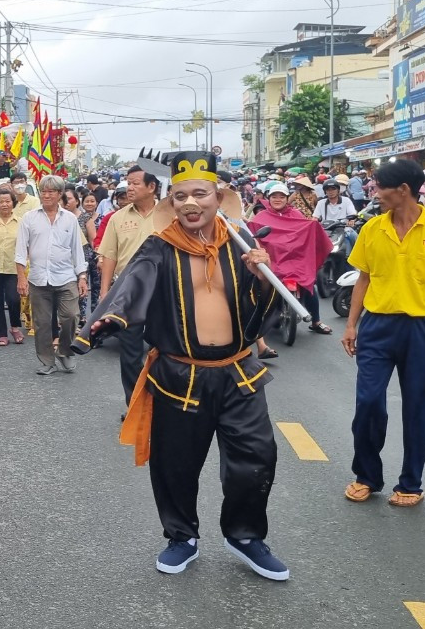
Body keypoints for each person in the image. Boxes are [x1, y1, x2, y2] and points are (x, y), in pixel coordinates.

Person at [73, 150, 288, 581]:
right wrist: (108, 317)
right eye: (181, 195)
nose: (191, 203)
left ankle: (245, 535)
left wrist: (262, 278)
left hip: (237, 373)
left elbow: (260, 311)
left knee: (257, 456)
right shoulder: (159, 247)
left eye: (200, 194)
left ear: (218, 197)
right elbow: (133, 285)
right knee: (175, 463)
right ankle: (181, 536)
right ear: (172, 202)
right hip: (179, 376)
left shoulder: (240, 243)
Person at [341, 159, 425, 508]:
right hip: (377, 326)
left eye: (380, 187)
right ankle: (366, 476)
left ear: (403, 190)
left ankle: (411, 483)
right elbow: (364, 279)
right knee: (368, 401)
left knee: (419, 406)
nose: (375, 193)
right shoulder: (373, 228)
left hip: (423, 328)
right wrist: (351, 323)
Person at [98, 165, 161, 406]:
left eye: (135, 183)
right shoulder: (118, 218)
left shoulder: (170, 215)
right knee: (130, 352)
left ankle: (162, 404)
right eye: (128, 182)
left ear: (152, 187)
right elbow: (109, 256)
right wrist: (105, 292)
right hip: (128, 292)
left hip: (162, 290)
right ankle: (135, 404)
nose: (129, 188)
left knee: (164, 349)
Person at [15, 175, 89, 376]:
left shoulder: (70, 219)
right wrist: (21, 278)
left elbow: (77, 250)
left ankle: (64, 351)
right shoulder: (29, 218)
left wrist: (82, 277)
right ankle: (47, 361)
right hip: (38, 278)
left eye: (51, 192)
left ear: (59, 194)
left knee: (71, 316)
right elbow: (20, 250)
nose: (46, 195)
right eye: (43, 191)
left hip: (66, 277)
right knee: (42, 323)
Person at [247, 183, 333, 336]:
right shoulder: (261, 217)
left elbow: (306, 230)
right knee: (255, 286)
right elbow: (252, 234)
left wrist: (314, 225)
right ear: (268, 198)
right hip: (272, 261)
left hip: (295, 260)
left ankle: (316, 321)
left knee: (309, 286)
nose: (278, 199)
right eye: (274, 196)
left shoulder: (297, 215)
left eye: (282, 197)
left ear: (287, 199)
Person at [0, 188, 25, 346]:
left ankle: (15, 327)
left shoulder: (21, 222)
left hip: (13, 267)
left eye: (7, 201)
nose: (4, 204)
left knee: (13, 298)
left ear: (13, 203)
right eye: (1, 201)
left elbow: (26, 245)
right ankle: (2, 334)